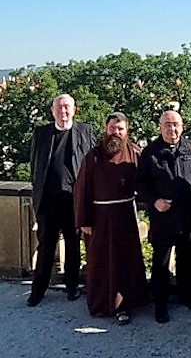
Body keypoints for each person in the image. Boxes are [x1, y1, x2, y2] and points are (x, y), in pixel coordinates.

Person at [74, 112, 147, 325]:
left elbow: (144, 183)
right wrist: (84, 220)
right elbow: (82, 190)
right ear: (106, 129)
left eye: (120, 129)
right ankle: (100, 304)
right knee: (100, 263)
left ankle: (125, 304)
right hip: (99, 219)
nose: (116, 132)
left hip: (125, 217)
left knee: (125, 262)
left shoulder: (134, 153)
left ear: (127, 131)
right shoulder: (93, 156)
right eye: (112, 128)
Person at [27, 94, 96, 307]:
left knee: (74, 246)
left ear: (75, 110)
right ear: (52, 111)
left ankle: (72, 286)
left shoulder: (86, 131)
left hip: (74, 201)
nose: (63, 111)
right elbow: (34, 165)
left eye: (67, 107)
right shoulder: (41, 133)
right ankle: (38, 289)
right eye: (59, 108)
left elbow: (93, 165)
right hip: (48, 202)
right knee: (46, 246)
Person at [137, 111, 191, 324]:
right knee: (161, 264)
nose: (172, 129)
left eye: (175, 124)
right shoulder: (150, 152)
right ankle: (161, 304)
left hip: (188, 216)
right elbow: (140, 184)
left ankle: (187, 296)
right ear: (160, 127)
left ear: (182, 126)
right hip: (163, 217)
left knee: (187, 260)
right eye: (167, 125)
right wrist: (154, 201)